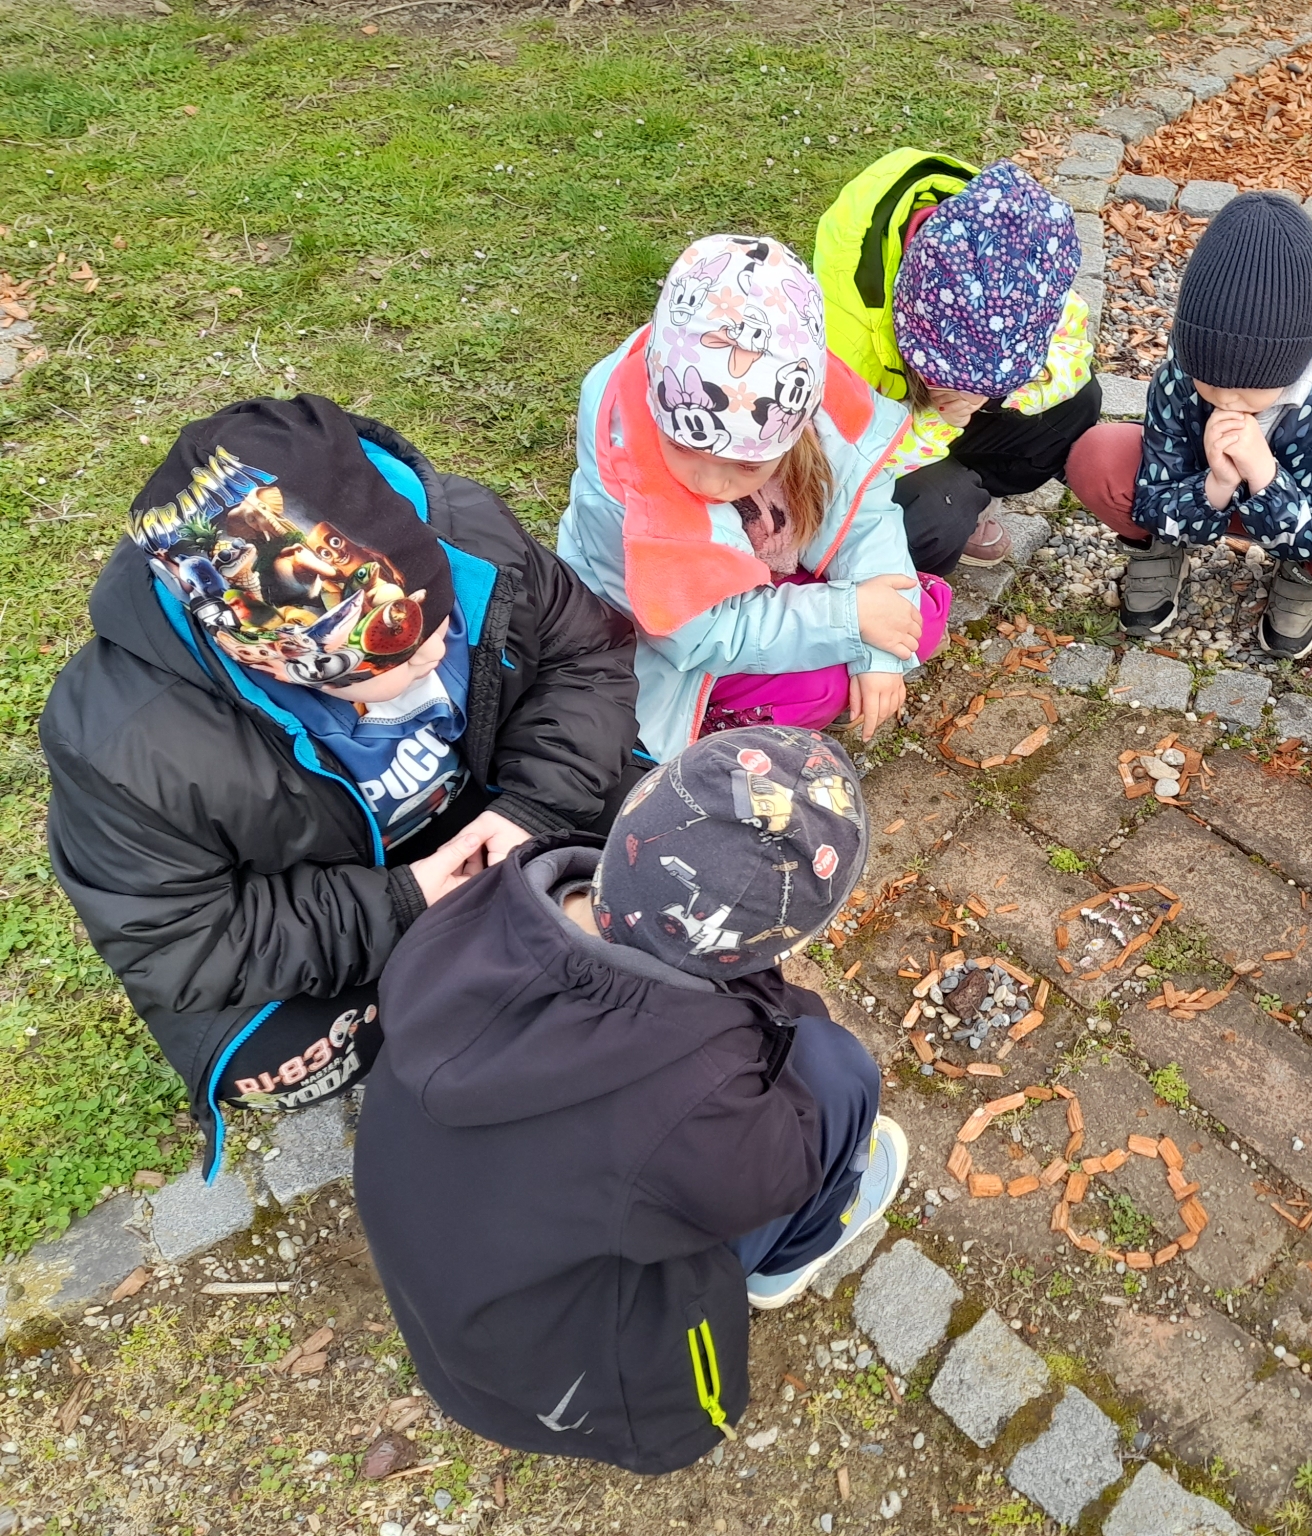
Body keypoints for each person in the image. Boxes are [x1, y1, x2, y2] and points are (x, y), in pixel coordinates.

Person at [41, 395, 641, 1176]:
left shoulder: (469, 535)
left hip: (493, 797)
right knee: (288, 1065)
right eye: (394, 658)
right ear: (275, 663)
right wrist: (404, 902)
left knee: (659, 834)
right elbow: (181, 940)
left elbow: (586, 654)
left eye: (436, 613)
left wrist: (535, 805)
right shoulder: (122, 744)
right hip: (343, 884)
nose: (433, 652)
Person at [354, 726, 908, 1474]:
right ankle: (783, 1264)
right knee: (836, 1076)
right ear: (782, 944)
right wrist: (774, 1008)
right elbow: (770, 1177)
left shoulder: (493, 898)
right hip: (572, 1376)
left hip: (448, 1291)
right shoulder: (695, 1097)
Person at [557, 234, 946, 760]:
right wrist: (850, 618)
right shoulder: (629, 500)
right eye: (685, 448)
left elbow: (866, 518)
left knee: (910, 618)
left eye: (745, 466)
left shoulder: (814, 411)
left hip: (759, 588)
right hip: (670, 647)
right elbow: (697, 633)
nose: (711, 484)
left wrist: (878, 651)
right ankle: (713, 727)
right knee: (825, 682)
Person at [1065, 192, 1312, 658]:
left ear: (1291, 364)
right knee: (1096, 457)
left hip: (1299, 511)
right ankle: (1160, 549)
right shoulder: (1183, 369)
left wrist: (1264, 474)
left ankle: (1303, 576)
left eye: (1247, 389)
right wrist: (1216, 484)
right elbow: (1157, 484)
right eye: (1209, 383)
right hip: (1198, 493)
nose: (1224, 399)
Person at [813, 151, 1101, 575]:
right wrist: (942, 415)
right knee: (938, 514)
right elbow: (844, 460)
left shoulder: (1014, 255)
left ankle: (970, 488)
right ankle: (888, 567)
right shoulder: (844, 335)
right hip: (883, 442)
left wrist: (997, 394)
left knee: (1077, 403)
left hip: (932, 418)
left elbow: (1071, 350)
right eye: (954, 377)